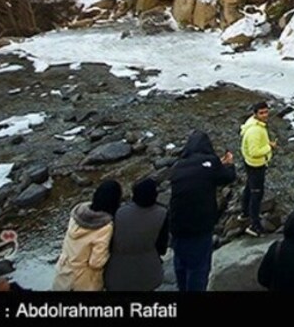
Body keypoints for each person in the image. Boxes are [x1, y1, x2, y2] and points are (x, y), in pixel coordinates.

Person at [167, 130, 236, 292]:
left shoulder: (178, 165)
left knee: (181, 264)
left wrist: (216, 164)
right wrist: (229, 164)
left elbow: (200, 172)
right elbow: (228, 177)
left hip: (176, 225)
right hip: (200, 225)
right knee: (198, 269)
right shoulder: (211, 162)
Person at [52, 179, 120, 291]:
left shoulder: (76, 215)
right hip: (83, 281)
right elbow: (96, 262)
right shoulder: (104, 227)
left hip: (63, 272)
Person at [104, 177, 169, 292]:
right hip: (148, 272)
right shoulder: (162, 214)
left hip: (117, 272)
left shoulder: (120, 213)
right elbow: (162, 247)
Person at [240, 101, 277, 236]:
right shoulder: (256, 130)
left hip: (250, 163)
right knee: (257, 194)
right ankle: (254, 225)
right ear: (255, 114)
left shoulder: (253, 124)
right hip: (256, 165)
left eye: (266, 112)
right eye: (261, 113)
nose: (265, 115)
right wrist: (269, 147)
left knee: (249, 187)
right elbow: (254, 151)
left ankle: (244, 213)